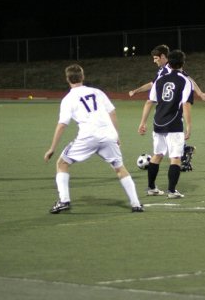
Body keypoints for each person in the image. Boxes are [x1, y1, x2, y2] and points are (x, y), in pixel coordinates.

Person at [44, 64, 144, 213]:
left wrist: (52, 148)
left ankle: (64, 201)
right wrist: (116, 135)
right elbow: (112, 112)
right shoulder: (97, 92)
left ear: (67, 79)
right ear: (83, 77)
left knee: (62, 163)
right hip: (108, 135)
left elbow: (62, 124)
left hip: (88, 136)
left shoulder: (68, 99)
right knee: (119, 168)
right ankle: (136, 204)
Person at [138, 49, 193, 198]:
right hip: (174, 123)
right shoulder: (185, 80)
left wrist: (143, 122)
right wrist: (188, 126)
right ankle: (172, 191)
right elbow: (186, 104)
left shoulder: (160, 79)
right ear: (182, 63)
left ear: (169, 61)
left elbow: (150, 101)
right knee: (175, 158)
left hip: (158, 122)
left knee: (157, 155)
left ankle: (151, 188)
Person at [129, 44, 205, 102]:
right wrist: (136, 91)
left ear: (163, 56)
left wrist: (200, 93)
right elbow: (152, 84)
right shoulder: (162, 70)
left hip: (173, 107)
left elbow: (188, 79)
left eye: (156, 58)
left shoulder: (171, 68)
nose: (154, 61)